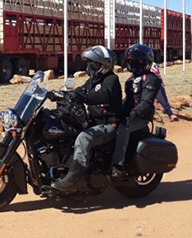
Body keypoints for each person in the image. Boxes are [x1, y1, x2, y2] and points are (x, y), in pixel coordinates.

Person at [51, 45, 122, 192]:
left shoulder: (111, 80)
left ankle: (72, 178)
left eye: (93, 64)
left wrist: (84, 97)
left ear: (104, 65)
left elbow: (104, 95)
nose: (90, 68)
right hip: (94, 122)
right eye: (88, 64)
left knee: (84, 138)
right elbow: (79, 91)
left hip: (109, 125)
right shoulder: (92, 81)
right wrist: (58, 94)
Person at [111, 44, 162, 180]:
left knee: (123, 128)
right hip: (131, 114)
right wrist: (115, 113)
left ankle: (118, 165)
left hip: (142, 117)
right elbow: (128, 101)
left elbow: (146, 102)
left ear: (146, 62)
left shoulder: (152, 79)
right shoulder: (130, 80)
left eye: (138, 61)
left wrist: (131, 115)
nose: (134, 64)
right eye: (131, 61)